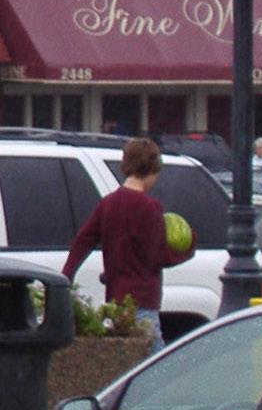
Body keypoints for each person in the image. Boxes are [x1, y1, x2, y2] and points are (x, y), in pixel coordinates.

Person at [61, 136, 193, 352]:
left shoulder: (108, 204)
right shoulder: (150, 207)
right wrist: (187, 248)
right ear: (152, 169)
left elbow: (82, 241)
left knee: (124, 359)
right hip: (143, 301)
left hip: (116, 302)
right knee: (154, 362)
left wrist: (67, 275)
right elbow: (157, 256)